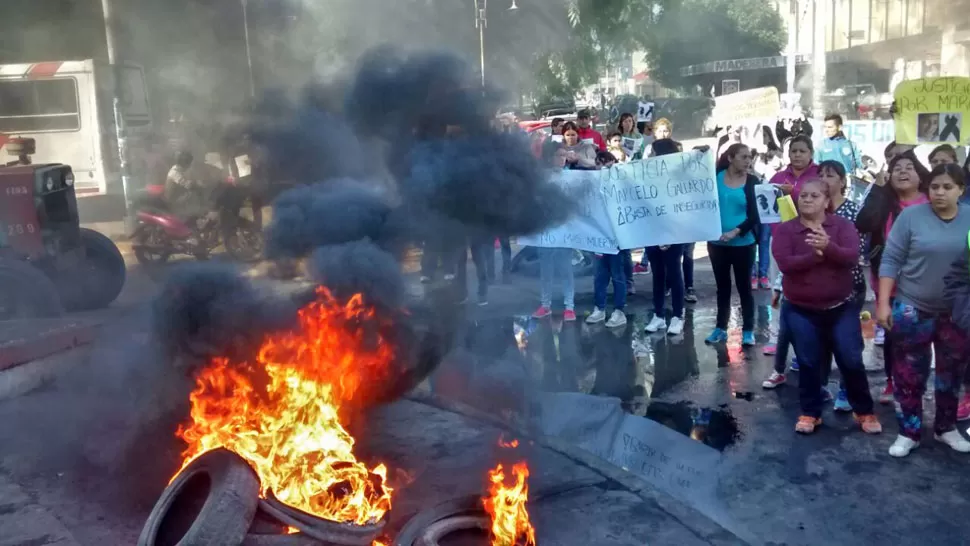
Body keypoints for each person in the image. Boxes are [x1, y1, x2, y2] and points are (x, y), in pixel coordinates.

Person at [773, 179, 882, 435]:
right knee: (809, 362)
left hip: (841, 307)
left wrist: (828, 247)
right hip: (800, 308)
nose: (807, 200)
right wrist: (815, 255)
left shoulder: (842, 226)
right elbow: (786, 264)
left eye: (814, 196)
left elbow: (852, 257)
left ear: (826, 201)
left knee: (851, 359)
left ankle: (864, 411)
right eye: (803, 196)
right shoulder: (786, 230)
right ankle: (810, 413)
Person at [878, 163, 970, 457]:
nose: (939, 192)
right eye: (934, 187)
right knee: (908, 374)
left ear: (961, 190)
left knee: (951, 374)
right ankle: (910, 431)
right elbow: (891, 259)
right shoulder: (911, 217)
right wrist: (882, 303)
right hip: (912, 307)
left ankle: (946, 428)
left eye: (947, 187)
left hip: (956, 313)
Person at [856, 151, 930, 402]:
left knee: (922, 337)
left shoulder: (932, 200)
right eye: (897, 168)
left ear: (920, 175)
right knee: (892, 334)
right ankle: (892, 381)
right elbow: (863, 222)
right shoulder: (884, 200)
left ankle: (917, 384)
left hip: (926, 284)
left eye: (909, 167)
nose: (902, 171)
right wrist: (877, 190)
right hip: (888, 282)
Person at [705, 143, 759, 346]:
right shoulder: (716, 175)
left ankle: (747, 330)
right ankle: (720, 328)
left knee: (744, 287)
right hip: (716, 242)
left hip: (743, 243)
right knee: (722, 287)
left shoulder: (752, 181)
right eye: (743, 157)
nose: (748, 161)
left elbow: (755, 215)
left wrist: (736, 231)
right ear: (730, 158)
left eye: (749, 157)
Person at [642, 139, 688, 336]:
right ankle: (659, 315)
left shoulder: (679, 177)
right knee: (658, 275)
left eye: (653, 152)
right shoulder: (647, 175)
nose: (650, 156)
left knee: (674, 274)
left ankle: (678, 315)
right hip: (652, 232)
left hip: (674, 233)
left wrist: (669, 234)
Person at [587, 247, 628, 328]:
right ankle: (599, 309)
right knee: (600, 277)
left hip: (617, 244)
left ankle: (619, 312)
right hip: (599, 245)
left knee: (617, 277)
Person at [770, 135, 819, 200]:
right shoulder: (778, 177)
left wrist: (793, 192)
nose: (797, 155)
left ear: (811, 153)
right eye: (794, 151)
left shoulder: (820, 175)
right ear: (789, 154)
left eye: (802, 151)